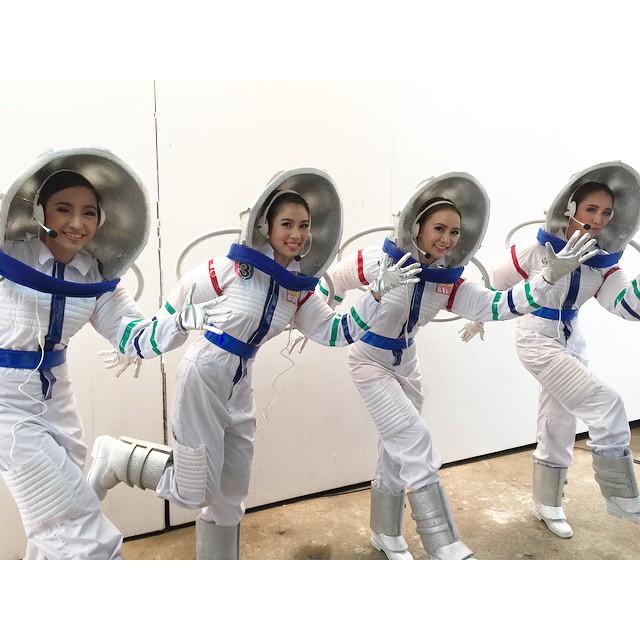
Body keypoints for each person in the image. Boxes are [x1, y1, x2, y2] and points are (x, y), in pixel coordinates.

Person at [87, 167, 421, 559]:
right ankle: (119, 458)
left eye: (304, 225)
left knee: (231, 492)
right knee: (194, 490)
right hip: (204, 375)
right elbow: (178, 303)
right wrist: (142, 344)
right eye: (287, 224)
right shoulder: (228, 270)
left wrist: (374, 296)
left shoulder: (297, 290)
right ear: (265, 226)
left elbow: (336, 332)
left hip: (240, 384)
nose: (296, 234)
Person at [319, 172, 598, 560]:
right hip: (369, 360)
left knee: (395, 448)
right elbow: (332, 280)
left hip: (406, 364)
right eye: (439, 228)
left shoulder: (447, 280)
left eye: (454, 232)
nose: (447, 239)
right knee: (412, 438)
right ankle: (444, 544)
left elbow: (498, 305)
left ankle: (385, 531)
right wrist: (321, 316)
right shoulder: (378, 260)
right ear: (416, 226)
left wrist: (548, 277)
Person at [0, 148, 228, 560]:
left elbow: (134, 339)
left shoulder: (95, 275)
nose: (76, 223)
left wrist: (180, 320)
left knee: (56, 512)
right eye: (63, 209)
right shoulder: (9, 254)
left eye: (88, 213)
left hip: (55, 397)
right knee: (67, 519)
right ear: (39, 211)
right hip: (5, 403)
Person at [461, 161, 640, 539]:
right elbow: (494, 283)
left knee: (559, 421)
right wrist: (479, 318)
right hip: (537, 339)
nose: (598, 219)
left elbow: (626, 307)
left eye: (606, 212)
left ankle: (547, 503)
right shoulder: (535, 249)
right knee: (606, 404)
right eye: (591, 209)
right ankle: (621, 495)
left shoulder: (603, 262)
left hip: (572, 341)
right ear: (571, 208)